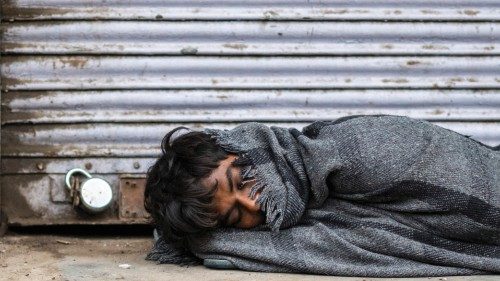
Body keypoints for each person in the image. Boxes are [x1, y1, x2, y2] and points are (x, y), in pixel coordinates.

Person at [144, 115, 500, 277]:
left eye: (240, 182)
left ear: (242, 149)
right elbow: (346, 246)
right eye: (237, 218)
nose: (254, 204)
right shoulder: (316, 202)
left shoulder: (359, 147)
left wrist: (205, 244)